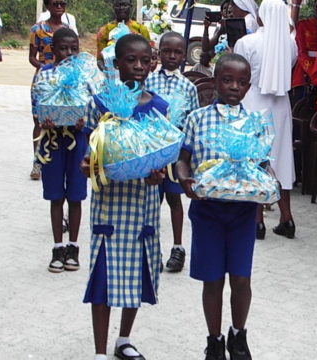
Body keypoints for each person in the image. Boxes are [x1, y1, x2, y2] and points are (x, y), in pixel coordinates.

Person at [80, 34, 166, 360]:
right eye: (131, 60)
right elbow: (85, 162)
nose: (139, 67)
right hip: (109, 205)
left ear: (153, 63)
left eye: (145, 61)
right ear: (116, 65)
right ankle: (100, 351)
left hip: (143, 203)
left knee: (137, 273)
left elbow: (161, 158)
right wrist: (94, 165)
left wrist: (157, 174)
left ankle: (124, 339)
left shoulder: (158, 107)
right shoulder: (99, 105)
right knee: (103, 274)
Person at [176, 53, 258, 360]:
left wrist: (271, 184)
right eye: (227, 80)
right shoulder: (197, 118)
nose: (234, 87)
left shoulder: (254, 122)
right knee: (212, 279)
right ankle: (214, 340)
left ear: (248, 87)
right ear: (214, 82)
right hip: (207, 210)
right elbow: (183, 159)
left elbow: (262, 165)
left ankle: (239, 335)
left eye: (241, 82)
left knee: (241, 278)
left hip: (243, 211)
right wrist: (186, 181)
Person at [234, 0, 297, 239]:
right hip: (280, 104)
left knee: (255, 159)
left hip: (253, 101)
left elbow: (239, 72)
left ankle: (257, 221)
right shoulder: (290, 44)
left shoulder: (246, 42)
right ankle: (287, 218)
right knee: (281, 159)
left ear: (261, 16)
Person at [31, 28, 86, 273]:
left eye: (74, 48)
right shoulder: (44, 75)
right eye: (63, 48)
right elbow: (36, 104)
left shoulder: (85, 76)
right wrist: (44, 119)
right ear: (52, 51)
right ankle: (57, 246)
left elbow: (93, 106)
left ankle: (73, 247)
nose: (69, 53)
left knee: (75, 195)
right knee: (55, 195)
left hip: (78, 142)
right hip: (52, 142)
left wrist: (85, 121)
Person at [145, 31, 199, 273]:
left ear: (184, 55)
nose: (172, 56)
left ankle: (178, 248)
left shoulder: (188, 87)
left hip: (175, 152)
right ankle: (152, 247)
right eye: (167, 51)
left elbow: (192, 121)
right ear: (159, 52)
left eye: (178, 52)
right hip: (153, 151)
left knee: (174, 198)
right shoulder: (148, 81)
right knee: (152, 200)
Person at [28, 0, 72, 180]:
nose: (59, 7)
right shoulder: (37, 29)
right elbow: (31, 57)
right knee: (39, 121)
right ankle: (37, 162)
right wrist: (48, 69)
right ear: (47, 6)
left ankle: (57, 159)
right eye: (55, 4)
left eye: (63, 3)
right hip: (43, 81)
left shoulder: (68, 29)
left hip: (65, 81)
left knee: (64, 121)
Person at [96, 0, 150, 65]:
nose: (121, 8)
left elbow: (148, 56)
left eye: (125, 5)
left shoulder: (141, 29)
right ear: (114, 7)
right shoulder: (105, 31)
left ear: (130, 6)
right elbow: (100, 60)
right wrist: (109, 71)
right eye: (118, 5)